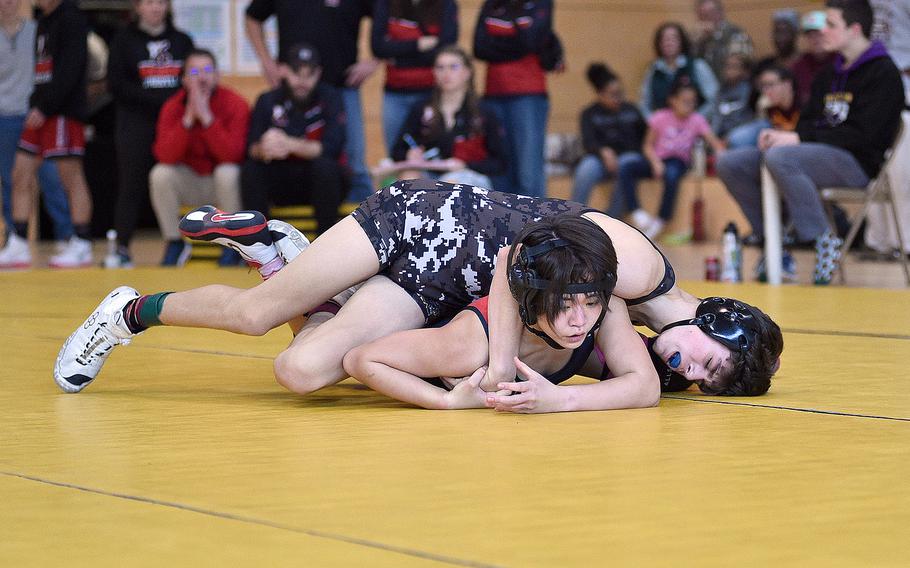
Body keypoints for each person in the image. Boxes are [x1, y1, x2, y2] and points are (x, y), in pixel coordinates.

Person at [55, 179, 783, 401]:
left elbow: (635, 381)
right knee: (253, 319)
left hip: (444, 290)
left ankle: (283, 256)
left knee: (305, 371)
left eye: (708, 383)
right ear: (714, 320)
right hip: (426, 226)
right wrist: (497, 371)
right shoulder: (637, 267)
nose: (691, 371)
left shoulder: (639, 322)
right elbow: (510, 264)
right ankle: (129, 311)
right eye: (708, 362)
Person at [343, 214, 661, 412]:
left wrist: (561, 400)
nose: (580, 320)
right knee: (309, 364)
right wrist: (443, 401)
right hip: (414, 292)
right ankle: (326, 306)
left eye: (591, 303)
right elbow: (361, 359)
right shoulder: (467, 348)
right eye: (563, 307)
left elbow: (646, 386)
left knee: (666, 370)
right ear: (531, 301)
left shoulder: (604, 308)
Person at [719, 0, 904, 285]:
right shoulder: (828, 75)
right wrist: (784, 135)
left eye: (831, 24)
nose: (822, 31)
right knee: (732, 162)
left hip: (858, 163)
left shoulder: (884, 73)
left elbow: (865, 136)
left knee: (782, 157)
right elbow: (806, 122)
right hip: (812, 155)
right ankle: (776, 241)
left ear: (854, 29)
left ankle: (824, 239)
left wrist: (798, 138)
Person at [245, 0, 378, 202]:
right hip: (291, 88)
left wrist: (375, 60)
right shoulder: (268, 100)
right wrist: (266, 61)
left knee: (355, 165)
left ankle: (365, 228)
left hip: (342, 86)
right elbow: (252, 17)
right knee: (278, 158)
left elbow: (389, 17)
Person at [0, 0, 93, 269]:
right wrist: (36, 105)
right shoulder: (43, 21)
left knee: (70, 178)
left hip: (61, 112)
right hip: (38, 111)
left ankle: (82, 242)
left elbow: (70, 70)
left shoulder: (72, 18)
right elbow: (41, 72)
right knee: (19, 173)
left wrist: (46, 106)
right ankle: (17, 242)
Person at [106, 0, 194, 267]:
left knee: (172, 178)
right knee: (131, 184)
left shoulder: (182, 41)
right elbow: (117, 85)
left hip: (175, 123)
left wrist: (169, 106)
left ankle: (180, 243)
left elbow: (189, 81)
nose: (155, 8)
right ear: (137, 7)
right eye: (149, 3)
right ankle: (122, 247)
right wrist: (160, 100)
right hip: (135, 124)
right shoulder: (123, 40)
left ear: (167, 7)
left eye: (160, 3)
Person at [149, 48, 250, 266]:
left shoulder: (235, 103)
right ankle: (174, 242)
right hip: (191, 182)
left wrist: (207, 119)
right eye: (194, 72)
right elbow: (165, 155)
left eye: (207, 70)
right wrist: (186, 120)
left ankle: (233, 244)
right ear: (184, 79)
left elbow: (233, 155)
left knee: (228, 172)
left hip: (223, 184)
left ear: (216, 75)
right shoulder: (172, 107)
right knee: (160, 174)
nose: (202, 77)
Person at [242, 44, 348, 236]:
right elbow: (250, 148)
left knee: (326, 167)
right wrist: (264, 148)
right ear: (283, 70)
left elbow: (332, 147)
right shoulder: (267, 100)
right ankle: (259, 241)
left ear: (319, 73)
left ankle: (325, 240)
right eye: (296, 72)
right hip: (281, 178)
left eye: (310, 74)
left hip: (318, 182)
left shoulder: (331, 98)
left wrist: (289, 144)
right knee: (251, 170)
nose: (302, 80)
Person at [611, 82, 726, 239]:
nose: (690, 105)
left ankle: (661, 219)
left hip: (678, 161)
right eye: (685, 101)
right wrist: (655, 162)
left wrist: (720, 151)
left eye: (693, 102)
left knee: (672, 174)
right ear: (673, 100)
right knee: (626, 167)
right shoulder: (659, 117)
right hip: (657, 159)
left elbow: (714, 142)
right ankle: (636, 211)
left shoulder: (697, 119)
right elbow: (647, 145)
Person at [389, 46, 507, 189]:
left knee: (450, 184)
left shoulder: (483, 111)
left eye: (453, 67)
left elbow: (500, 163)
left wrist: (465, 165)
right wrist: (409, 154)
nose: (446, 73)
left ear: (467, 72)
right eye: (440, 67)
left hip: (469, 177)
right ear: (434, 72)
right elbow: (397, 150)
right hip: (431, 174)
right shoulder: (421, 109)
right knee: (408, 178)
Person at [473, 0, 554, 198]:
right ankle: (504, 225)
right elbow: (479, 48)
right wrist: (516, 42)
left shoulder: (540, 3)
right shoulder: (491, 4)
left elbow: (532, 41)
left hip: (528, 95)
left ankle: (535, 225)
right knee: (500, 169)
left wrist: (498, 43)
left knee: (528, 172)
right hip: (493, 95)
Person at [371, 0, 458, 155]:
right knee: (396, 153)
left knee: (433, 153)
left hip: (432, 93)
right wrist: (417, 45)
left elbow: (445, 49)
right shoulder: (386, 4)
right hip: (395, 93)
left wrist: (399, 58)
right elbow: (378, 47)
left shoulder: (446, 4)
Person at [570, 63, 647, 209]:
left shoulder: (632, 110)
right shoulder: (589, 113)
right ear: (600, 94)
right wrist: (603, 151)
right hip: (601, 160)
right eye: (612, 95)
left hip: (630, 157)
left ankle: (612, 218)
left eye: (620, 93)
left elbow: (646, 137)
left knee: (626, 165)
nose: (617, 98)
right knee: (586, 168)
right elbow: (588, 141)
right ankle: (572, 215)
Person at [639, 22, 718, 119]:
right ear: (658, 44)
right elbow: (644, 104)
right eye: (664, 39)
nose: (668, 43)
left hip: (695, 126)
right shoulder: (653, 70)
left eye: (673, 38)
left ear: (682, 41)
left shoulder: (697, 66)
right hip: (664, 128)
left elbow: (714, 99)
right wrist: (655, 123)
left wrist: (695, 121)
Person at [692, 0, 753, 80]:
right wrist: (697, 41)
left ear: (720, 13)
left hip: (731, 87)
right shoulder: (700, 38)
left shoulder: (735, 33)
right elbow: (692, 63)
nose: (705, 19)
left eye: (709, 14)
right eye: (701, 15)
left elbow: (739, 68)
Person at [791, 11, 837, 108]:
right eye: (810, 35)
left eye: (819, 34)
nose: (815, 39)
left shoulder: (841, 61)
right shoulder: (799, 66)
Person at [706, 53, 753, 143]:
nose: (729, 70)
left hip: (741, 135)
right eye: (727, 66)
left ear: (745, 71)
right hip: (721, 136)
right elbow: (717, 117)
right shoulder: (720, 92)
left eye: (734, 66)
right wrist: (712, 139)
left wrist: (729, 137)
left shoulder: (749, 90)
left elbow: (749, 118)